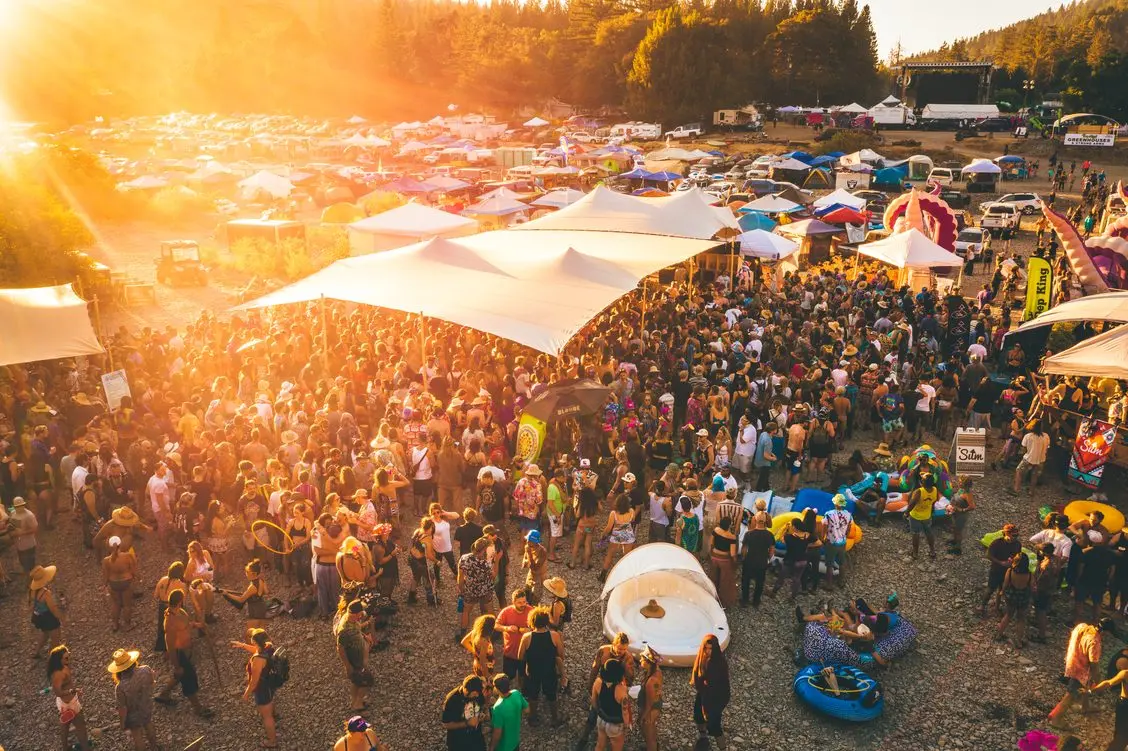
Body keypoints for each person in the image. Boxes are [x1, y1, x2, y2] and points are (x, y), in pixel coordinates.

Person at [154, 589, 213, 717]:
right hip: (180, 653)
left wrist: (198, 625)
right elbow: (170, 645)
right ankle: (198, 708)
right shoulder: (170, 621)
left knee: (180, 675)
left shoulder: (180, 612)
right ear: (180, 600)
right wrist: (176, 666)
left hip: (187, 650)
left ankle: (164, 694)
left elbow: (187, 624)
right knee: (188, 679)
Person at [1049, 618, 1116, 729]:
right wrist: (1099, 683)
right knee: (1070, 695)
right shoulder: (1094, 642)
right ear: (1105, 632)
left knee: (1087, 684)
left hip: (1072, 660)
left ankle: (1085, 706)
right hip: (1080, 670)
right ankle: (1056, 718)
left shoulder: (1082, 626)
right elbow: (1094, 666)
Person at [230, 628, 279, 748]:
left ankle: (272, 741)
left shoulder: (258, 660)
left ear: (255, 641)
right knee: (270, 701)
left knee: (266, 716)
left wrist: (246, 693)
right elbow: (257, 650)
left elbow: (254, 681)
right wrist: (242, 645)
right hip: (270, 684)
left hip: (262, 688)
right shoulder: (269, 646)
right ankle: (274, 714)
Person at [517, 605, 564, 726]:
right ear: (546, 621)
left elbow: (520, 657)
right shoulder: (554, 636)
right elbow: (560, 654)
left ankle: (533, 718)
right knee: (552, 695)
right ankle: (554, 718)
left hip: (532, 671)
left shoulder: (527, 637)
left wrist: (521, 674)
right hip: (549, 670)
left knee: (533, 695)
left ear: (532, 621)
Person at [107, 648, 160, 751]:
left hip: (133, 714)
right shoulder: (145, 669)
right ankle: (154, 747)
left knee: (137, 735)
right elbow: (153, 682)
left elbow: (122, 708)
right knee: (148, 724)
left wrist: (122, 723)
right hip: (146, 705)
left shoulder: (120, 687)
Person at [48, 645, 90, 751]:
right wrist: (72, 691)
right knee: (81, 727)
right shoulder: (59, 674)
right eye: (66, 658)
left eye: (68, 656)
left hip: (66, 702)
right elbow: (58, 692)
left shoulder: (62, 668)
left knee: (65, 724)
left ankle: (65, 748)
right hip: (69, 703)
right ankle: (86, 748)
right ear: (59, 660)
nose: (68, 660)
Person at [691, 634, 730, 750]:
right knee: (698, 715)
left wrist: (708, 708)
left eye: (711, 649)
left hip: (717, 696)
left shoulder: (719, 663)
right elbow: (698, 674)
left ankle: (722, 748)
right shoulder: (701, 658)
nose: (708, 651)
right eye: (706, 648)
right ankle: (703, 737)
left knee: (714, 725)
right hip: (704, 692)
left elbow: (719, 686)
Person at [335, 599, 372, 711]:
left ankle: (354, 701)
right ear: (355, 614)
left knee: (356, 682)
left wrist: (365, 636)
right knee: (366, 681)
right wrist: (348, 666)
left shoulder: (352, 619)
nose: (362, 614)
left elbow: (357, 627)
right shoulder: (345, 630)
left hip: (358, 656)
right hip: (355, 660)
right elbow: (340, 649)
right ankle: (358, 705)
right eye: (361, 613)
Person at [220, 558, 270, 638]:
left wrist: (227, 594)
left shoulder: (252, 586)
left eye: (247, 572)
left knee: (250, 635)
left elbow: (241, 599)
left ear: (253, 574)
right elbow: (266, 592)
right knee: (261, 633)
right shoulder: (261, 580)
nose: (246, 574)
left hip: (255, 610)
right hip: (262, 607)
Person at [457, 537, 496, 638]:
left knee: (466, 611)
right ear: (484, 550)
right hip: (485, 591)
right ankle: (494, 632)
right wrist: (497, 561)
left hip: (470, 590)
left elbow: (460, 577)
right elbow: (493, 576)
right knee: (489, 611)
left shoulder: (464, 558)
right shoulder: (486, 563)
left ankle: (463, 634)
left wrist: (461, 590)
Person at [590, 657, 631, 751]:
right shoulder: (621, 690)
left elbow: (594, 702)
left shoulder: (597, 682)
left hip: (601, 719)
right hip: (615, 724)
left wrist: (599, 712)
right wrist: (626, 726)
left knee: (600, 745)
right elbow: (625, 712)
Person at [981, 524, 1022, 618]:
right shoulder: (997, 543)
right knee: (990, 589)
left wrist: (1013, 561)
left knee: (1002, 590)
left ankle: (997, 608)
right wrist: (1000, 562)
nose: (1015, 537)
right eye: (1014, 535)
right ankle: (982, 606)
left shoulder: (1017, 544)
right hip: (996, 570)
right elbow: (988, 555)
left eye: (1017, 535)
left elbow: (1018, 556)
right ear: (1006, 534)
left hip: (1008, 571)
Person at [1086, 663, 1128, 750]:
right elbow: (1108, 683)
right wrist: (1090, 691)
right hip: (1125, 706)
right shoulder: (1125, 673)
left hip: (1124, 704)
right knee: (1121, 736)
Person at [995, 553, 1032, 647]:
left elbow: (1005, 583)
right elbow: (1032, 586)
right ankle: (1019, 641)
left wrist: (1002, 592)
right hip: (1023, 597)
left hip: (1012, 596)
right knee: (1021, 619)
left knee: (1008, 615)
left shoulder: (1010, 571)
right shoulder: (1029, 574)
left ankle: (999, 634)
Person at [441, 675, 487, 751]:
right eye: (475, 693)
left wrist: (482, 714)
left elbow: (482, 705)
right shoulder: (452, 700)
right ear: (466, 690)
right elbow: (446, 724)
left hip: (476, 739)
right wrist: (467, 723)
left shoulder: (478, 692)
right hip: (459, 742)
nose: (478, 695)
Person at [102, 536, 137, 632]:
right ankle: (127, 625)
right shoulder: (127, 556)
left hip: (113, 583)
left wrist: (104, 585)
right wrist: (136, 578)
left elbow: (106, 575)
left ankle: (115, 624)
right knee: (127, 605)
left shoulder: (106, 560)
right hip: (126, 581)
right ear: (120, 544)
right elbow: (133, 571)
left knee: (115, 604)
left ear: (109, 547)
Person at [598, 494, 636, 582]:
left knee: (610, 555)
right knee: (627, 556)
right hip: (628, 535)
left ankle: (603, 576)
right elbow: (632, 520)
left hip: (616, 536)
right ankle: (627, 576)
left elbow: (609, 528)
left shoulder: (613, 513)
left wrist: (603, 535)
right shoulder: (631, 511)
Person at [496, 587, 532, 681]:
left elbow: (537, 628)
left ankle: (523, 693)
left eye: (524, 602)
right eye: (519, 602)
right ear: (513, 602)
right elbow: (496, 625)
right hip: (509, 652)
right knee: (508, 677)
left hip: (526, 653)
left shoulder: (530, 611)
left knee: (524, 676)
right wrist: (507, 628)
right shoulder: (506, 612)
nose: (523, 605)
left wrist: (529, 630)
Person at [739, 512, 774, 607]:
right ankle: (756, 601)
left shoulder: (749, 534)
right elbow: (771, 551)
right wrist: (768, 560)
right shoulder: (770, 535)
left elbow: (744, 549)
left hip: (749, 561)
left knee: (745, 581)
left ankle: (745, 600)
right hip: (762, 562)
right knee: (759, 583)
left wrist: (743, 558)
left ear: (755, 520)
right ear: (766, 521)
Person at [770, 518, 810, 600]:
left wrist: (785, 530)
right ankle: (793, 597)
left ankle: (774, 592)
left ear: (794, 527)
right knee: (797, 579)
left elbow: (781, 540)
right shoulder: (807, 535)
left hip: (790, 560)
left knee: (782, 577)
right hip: (802, 560)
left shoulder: (788, 537)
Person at [29, 564, 63, 658]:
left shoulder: (32, 591)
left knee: (45, 634)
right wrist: (61, 617)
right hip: (49, 618)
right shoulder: (45, 593)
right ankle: (51, 659)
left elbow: (31, 606)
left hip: (39, 617)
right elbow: (53, 608)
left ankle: (37, 652)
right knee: (55, 639)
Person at [490, 673, 529, 751]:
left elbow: (497, 734)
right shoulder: (516, 693)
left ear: (497, 689)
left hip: (503, 747)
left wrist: (491, 747)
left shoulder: (497, 708)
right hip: (515, 742)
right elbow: (527, 710)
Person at [1011, 421, 1050, 495]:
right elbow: (1047, 447)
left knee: (1019, 470)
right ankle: (1031, 491)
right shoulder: (1046, 436)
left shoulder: (1028, 436)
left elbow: (1023, 448)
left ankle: (1016, 489)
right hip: (1041, 459)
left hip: (1029, 458)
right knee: (1034, 474)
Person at [905, 474, 938, 560]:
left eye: (922, 479)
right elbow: (934, 501)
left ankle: (915, 553)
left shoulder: (919, 491)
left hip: (915, 516)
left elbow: (912, 503)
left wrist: (906, 513)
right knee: (929, 533)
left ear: (922, 482)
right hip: (927, 516)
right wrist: (931, 510)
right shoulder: (935, 489)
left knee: (916, 534)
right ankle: (932, 551)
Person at [823, 494, 852, 588]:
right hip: (842, 542)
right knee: (842, 563)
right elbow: (849, 528)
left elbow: (825, 526)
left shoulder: (829, 514)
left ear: (835, 503)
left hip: (831, 541)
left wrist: (823, 537)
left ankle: (829, 584)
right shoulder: (848, 514)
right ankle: (841, 582)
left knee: (829, 564)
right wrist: (845, 536)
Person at [637, 646, 663, 751]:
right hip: (653, 706)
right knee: (651, 730)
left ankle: (651, 747)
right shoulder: (656, 670)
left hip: (650, 709)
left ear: (648, 662)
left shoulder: (651, 681)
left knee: (649, 736)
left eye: (642, 659)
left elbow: (649, 703)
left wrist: (643, 716)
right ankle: (654, 746)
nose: (640, 660)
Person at [709, 516, 737, 608]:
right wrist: (735, 563)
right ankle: (723, 602)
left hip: (714, 557)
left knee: (713, 577)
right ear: (729, 525)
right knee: (724, 581)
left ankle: (711, 596)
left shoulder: (716, 530)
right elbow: (732, 554)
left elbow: (711, 543)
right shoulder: (732, 537)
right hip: (724, 560)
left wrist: (711, 553)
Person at [571, 486, 600, 570]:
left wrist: (574, 509)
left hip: (581, 527)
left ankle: (572, 563)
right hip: (590, 527)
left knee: (576, 545)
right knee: (587, 545)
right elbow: (601, 510)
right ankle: (586, 565)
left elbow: (577, 515)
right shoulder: (595, 503)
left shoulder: (582, 504)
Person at [947, 476, 975, 555]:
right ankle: (954, 540)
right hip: (955, 513)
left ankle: (957, 548)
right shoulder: (961, 490)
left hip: (961, 516)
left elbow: (972, 506)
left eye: (960, 482)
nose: (958, 483)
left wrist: (962, 510)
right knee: (955, 528)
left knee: (959, 530)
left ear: (965, 484)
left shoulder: (968, 494)